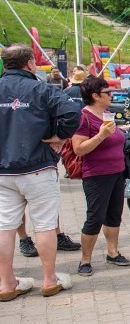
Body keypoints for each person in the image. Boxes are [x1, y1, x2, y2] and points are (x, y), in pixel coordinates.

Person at [0, 44, 79, 301]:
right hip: (37, 166)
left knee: (4, 227)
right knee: (44, 225)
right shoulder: (40, 88)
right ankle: (48, 279)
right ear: (30, 63)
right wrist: (59, 136)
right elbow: (71, 112)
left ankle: (7, 283)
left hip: (3, 170)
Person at [71, 76, 130, 276]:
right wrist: (101, 135)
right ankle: (85, 260)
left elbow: (115, 140)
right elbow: (79, 149)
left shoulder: (107, 114)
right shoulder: (84, 117)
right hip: (97, 175)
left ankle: (112, 252)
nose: (111, 95)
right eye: (107, 93)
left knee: (114, 215)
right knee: (95, 217)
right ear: (95, 96)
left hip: (117, 172)